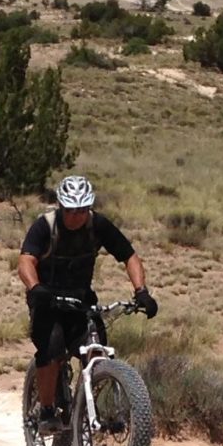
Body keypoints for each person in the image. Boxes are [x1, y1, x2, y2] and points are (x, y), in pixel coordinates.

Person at [17, 174, 153, 428]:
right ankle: (47, 410)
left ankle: (86, 406)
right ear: (61, 206)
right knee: (52, 349)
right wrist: (35, 288)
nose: (76, 215)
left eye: (82, 209)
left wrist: (141, 291)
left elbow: (129, 256)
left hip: (81, 299)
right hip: (48, 299)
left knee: (97, 349)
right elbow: (26, 260)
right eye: (71, 210)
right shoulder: (45, 226)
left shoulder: (97, 226)